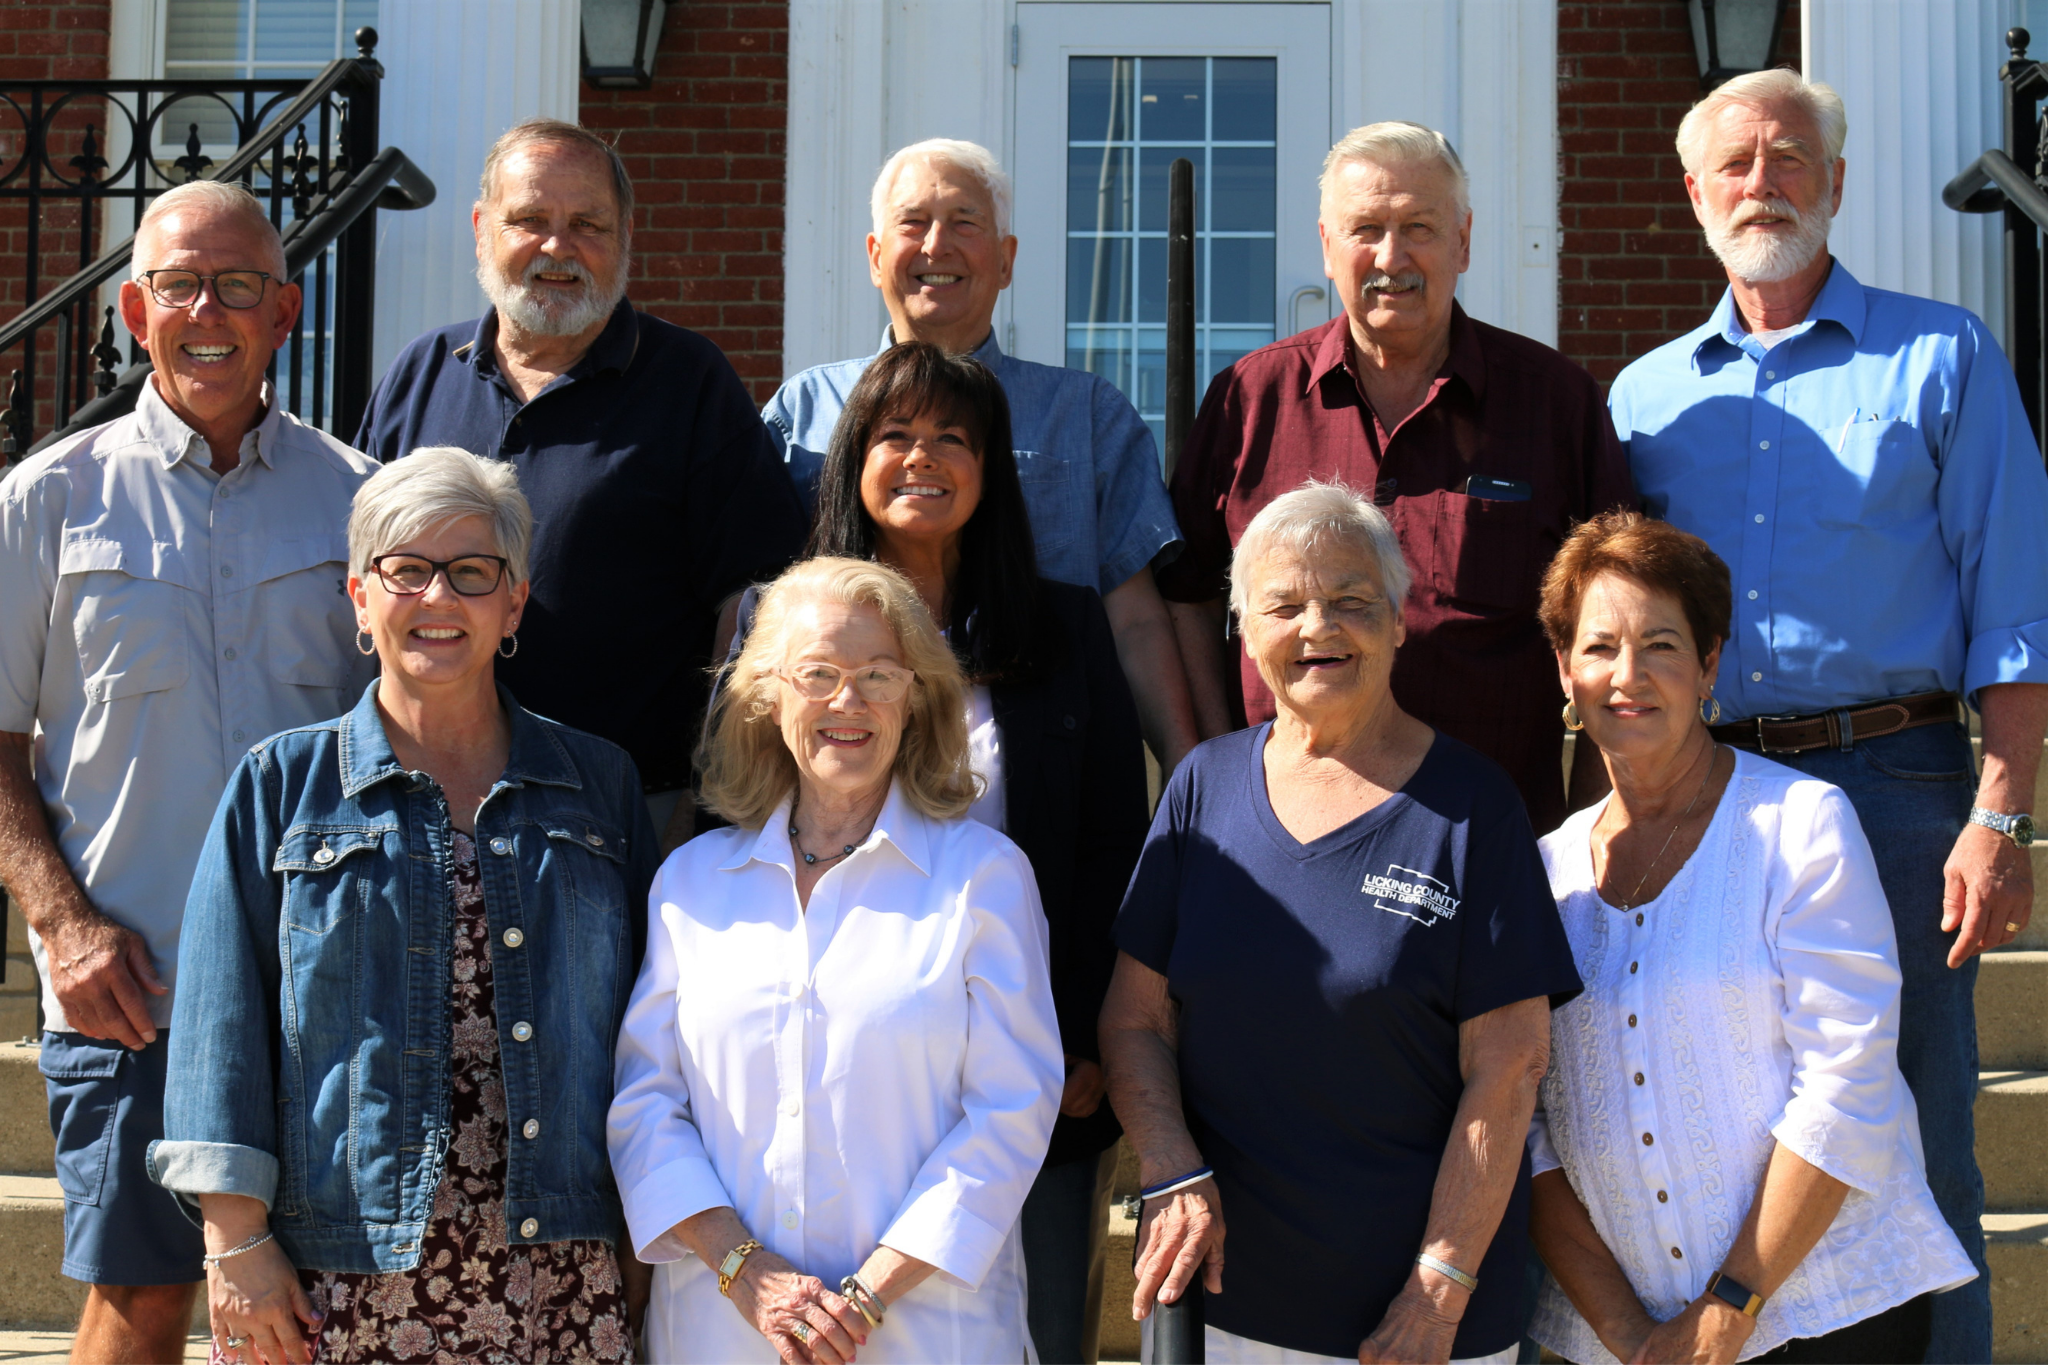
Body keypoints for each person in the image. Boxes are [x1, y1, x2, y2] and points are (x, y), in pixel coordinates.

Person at [1607, 68, 2048, 1362]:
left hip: (1897, 791)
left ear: (1838, 183)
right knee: (1725, 1153)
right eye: (1735, 162)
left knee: (1918, 1148)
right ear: (1694, 195)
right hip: (1702, 803)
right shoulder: (1641, 401)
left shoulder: (1943, 355)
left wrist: (1999, 815)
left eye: (1791, 157)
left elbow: (2015, 605)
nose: (1764, 181)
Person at [151, 448, 659, 1365]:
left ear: (513, 602)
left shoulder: (597, 785)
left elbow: (654, 1035)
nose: (437, 598)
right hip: (333, 1278)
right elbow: (217, 1023)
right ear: (359, 595)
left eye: (471, 572)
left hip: (557, 1274)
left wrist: (645, 1240)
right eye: (406, 570)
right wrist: (235, 1239)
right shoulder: (282, 786)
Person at [0, 179, 376, 1365]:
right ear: (130, 308)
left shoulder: (362, 502)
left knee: (316, 1313)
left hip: (319, 987)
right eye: (178, 284)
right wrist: (60, 926)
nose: (206, 308)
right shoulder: (47, 499)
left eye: (238, 285)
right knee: (144, 1298)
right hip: (130, 985)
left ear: (287, 311)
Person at [1100, 481, 1583, 1364]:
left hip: (1416, 1323)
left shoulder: (1474, 808)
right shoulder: (1201, 789)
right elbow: (1134, 1019)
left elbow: (1511, 1066)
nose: (1318, 627)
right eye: (1285, 605)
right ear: (1246, 632)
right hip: (1221, 1303)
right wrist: (1170, 1162)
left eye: (1352, 602)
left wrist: (1439, 1289)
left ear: (1399, 622)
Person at [1527, 509, 1976, 1364]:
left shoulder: (1800, 823)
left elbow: (1848, 1082)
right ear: (1564, 671)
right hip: (1621, 1339)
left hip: (1827, 1320)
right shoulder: (1542, 875)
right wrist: (1630, 1336)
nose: (1628, 675)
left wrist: (1726, 1311)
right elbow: (1528, 1129)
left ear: (1709, 665)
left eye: (1661, 644)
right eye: (1599, 647)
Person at [609, 555, 1062, 1364]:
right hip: (724, 1335)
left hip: (924, 1337)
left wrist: (859, 1301)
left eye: (879, 675)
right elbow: (646, 1108)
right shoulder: (690, 882)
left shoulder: (985, 877)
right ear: (766, 695)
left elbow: (1011, 1112)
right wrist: (748, 1274)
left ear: (916, 697)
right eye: (816, 672)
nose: (846, 701)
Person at [801, 341, 1150, 1363]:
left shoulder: (1065, 630)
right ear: (853, 461)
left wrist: (1085, 1030)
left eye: (952, 438)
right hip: (839, 1052)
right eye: (895, 434)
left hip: (1023, 1055)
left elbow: (1104, 843)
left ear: (991, 468)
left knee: (1028, 1333)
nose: (922, 457)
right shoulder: (791, 627)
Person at [1159, 122, 1636, 835]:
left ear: (1464, 242)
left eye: (1419, 226)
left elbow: (1615, 614)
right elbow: (1187, 594)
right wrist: (1213, 757)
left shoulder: (1555, 402)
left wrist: (1591, 822)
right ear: (1326, 245)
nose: (1391, 256)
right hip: (1283, 830)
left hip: (1491, 839)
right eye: (1366, 229)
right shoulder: (1249, 401)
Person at [356, 118, 807, 851]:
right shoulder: (420, 373)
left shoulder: (690, 384)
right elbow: (360, 575)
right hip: (421, 812)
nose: (557, 247)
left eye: (587, 224)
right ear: (482, 230)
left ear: (625, 236)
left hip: (626, 816)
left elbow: (755, 607)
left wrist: (710, 800)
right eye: (529, 220)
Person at [762, 138, 1197, 774]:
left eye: (965, 223)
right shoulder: (803, 412)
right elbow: (759, 615)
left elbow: (1133, 622)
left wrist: (1188, 768)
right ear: (875, 256)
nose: (937, 245)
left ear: (1005, 259)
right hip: (841, 759)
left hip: (1035, 765)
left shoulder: (1087, 415)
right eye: (912, 223)